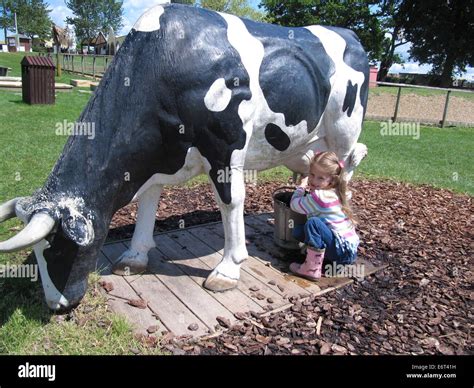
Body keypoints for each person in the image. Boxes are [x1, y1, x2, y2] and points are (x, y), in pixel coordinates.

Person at [289, 151, 359, 280]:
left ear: (332, 179)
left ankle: (311, 269)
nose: (314, 181)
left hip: (341, 252)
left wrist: (301, 187)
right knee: (299, 230)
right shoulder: (340, 191)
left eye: (320, 178)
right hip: (348, 251)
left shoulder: (320, 196)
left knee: (313, 223)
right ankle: (322, 258)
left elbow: (294, 204)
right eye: (312, 174)